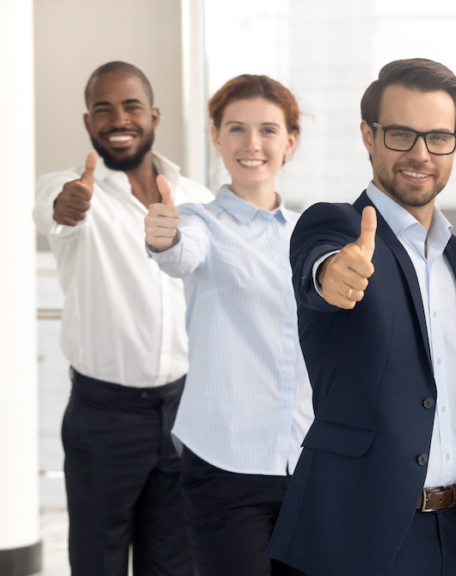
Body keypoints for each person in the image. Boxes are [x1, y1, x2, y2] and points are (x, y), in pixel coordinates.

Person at [267, 58, 456, 576]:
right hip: (358, 535)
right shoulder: (337, 225)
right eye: (400, 134)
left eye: (438, 137)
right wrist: (333, 275)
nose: (420, 154)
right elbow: (318, 266)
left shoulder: (455, 254)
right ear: (368, 136)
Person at [32, 61, 212, 576]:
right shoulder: (72, 192)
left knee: (175, 565)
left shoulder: (195, 199)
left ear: (153, 115)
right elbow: (53, 210)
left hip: (184, 413)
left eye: (131, 105)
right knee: (98, 563)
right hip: (103, 417)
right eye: (103, 109)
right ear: (88, 122)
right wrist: (65, 207)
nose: (118, 118)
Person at [143, 74, 314, 575]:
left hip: (306, 463)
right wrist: (161, 239)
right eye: (236, 129)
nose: (252, 144)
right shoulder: (200, 222)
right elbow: (178, 254)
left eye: (267, 130)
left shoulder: (312, 232)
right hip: (224, 465)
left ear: (290, 141)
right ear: (215, 136)